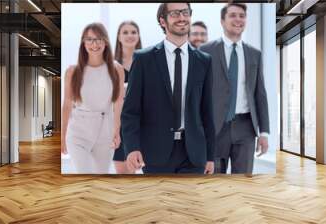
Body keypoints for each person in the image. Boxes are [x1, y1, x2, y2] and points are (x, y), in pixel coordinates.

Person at [121, 3, 215, 174]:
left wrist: (210, 156)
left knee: (189, 200)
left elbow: (207, 112)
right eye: (175, 13)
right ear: (162, 21)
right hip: (155, 152)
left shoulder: (204, 61)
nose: (181, 17)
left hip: (194, 154)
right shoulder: (144, 59)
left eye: (185, 12)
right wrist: (132, 147)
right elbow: (131, 111)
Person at [200, 3, 270, 174]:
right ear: (222, 21)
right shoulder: (205, 51)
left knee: (243, 181)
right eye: (233, 15)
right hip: (215, 127)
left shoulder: (255, 54)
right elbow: (199, 93)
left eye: (242, 15)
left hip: (245, 127)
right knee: (214, 182)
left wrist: (264, 132)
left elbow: (260, 94)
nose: (238, 19)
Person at [61, 22, 125, 174]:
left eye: (98, 39)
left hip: (105, 129)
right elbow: (67, 104)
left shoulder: (116, 69)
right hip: (78, 131)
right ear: (83, 43)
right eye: (89, 39)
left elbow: (118, 102)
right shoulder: (72, 71)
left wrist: (117, 130)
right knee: (84, 174)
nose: (94, 44)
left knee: (100, 176)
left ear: (105, 42)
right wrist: (62, 136)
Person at [113, 21, 142, 174]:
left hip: (143, 123)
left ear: (138, 36)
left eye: (133, 32)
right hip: (119, 124)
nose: (130, 35)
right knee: (123, 174)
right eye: (125, 32)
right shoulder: (111, 65)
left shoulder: (147, 62)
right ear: (118, 37)